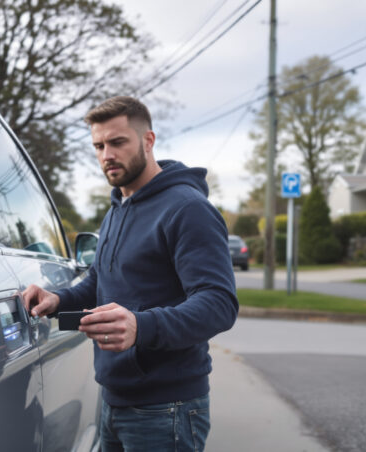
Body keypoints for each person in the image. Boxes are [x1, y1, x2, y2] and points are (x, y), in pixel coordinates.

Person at [22, 96, 238, 451]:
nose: (107, 154)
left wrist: (141, 326)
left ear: (148, 141)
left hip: (167, 409)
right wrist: (57, 300)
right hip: (113, 399)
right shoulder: (117, 210)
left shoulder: (187, 209)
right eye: (99, 145)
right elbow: (99, 282)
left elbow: (219, 304)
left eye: (118, 142)